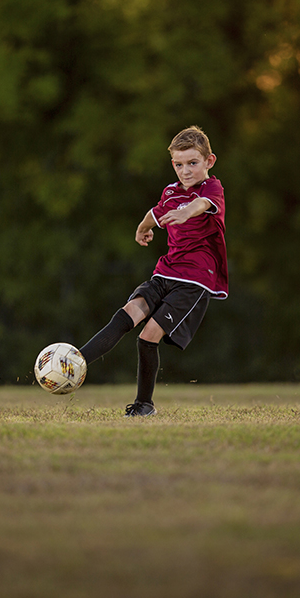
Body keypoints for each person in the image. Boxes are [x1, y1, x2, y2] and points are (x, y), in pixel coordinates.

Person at [78, 126, 228, 416]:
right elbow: (156, 211)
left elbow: (202, 205)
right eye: (179, 164)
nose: (185, 171)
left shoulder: (212, 189)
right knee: (130, 310)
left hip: (195, 280)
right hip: (165, 272)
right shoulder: (171, 191)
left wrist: (186, 212)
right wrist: (142, 227)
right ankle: (76, 362)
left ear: (209, 161)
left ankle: (144, 405)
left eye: (192, 163)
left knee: (149, 334)